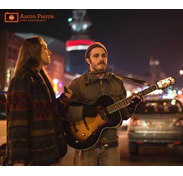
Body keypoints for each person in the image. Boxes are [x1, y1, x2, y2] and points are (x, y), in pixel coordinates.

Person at [64, 42, 142, 166]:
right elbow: (64, 111)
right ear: (88, 60)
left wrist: (132, 106)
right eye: (96, 56)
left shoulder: (117, 83)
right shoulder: (78, 84)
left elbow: (122, 115)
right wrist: (83, 111)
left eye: (103, 55)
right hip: (86, 147)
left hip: (111, 146)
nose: (101, 59)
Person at [5, 36, 72, 166]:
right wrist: (19, 161)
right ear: (35, 51)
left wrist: (63, 100)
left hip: (46, 156)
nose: (50, 52)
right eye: (45, 49)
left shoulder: (41, 79)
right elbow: (18, 123)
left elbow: (48, 113)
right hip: (33, 160)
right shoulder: (23, 79)